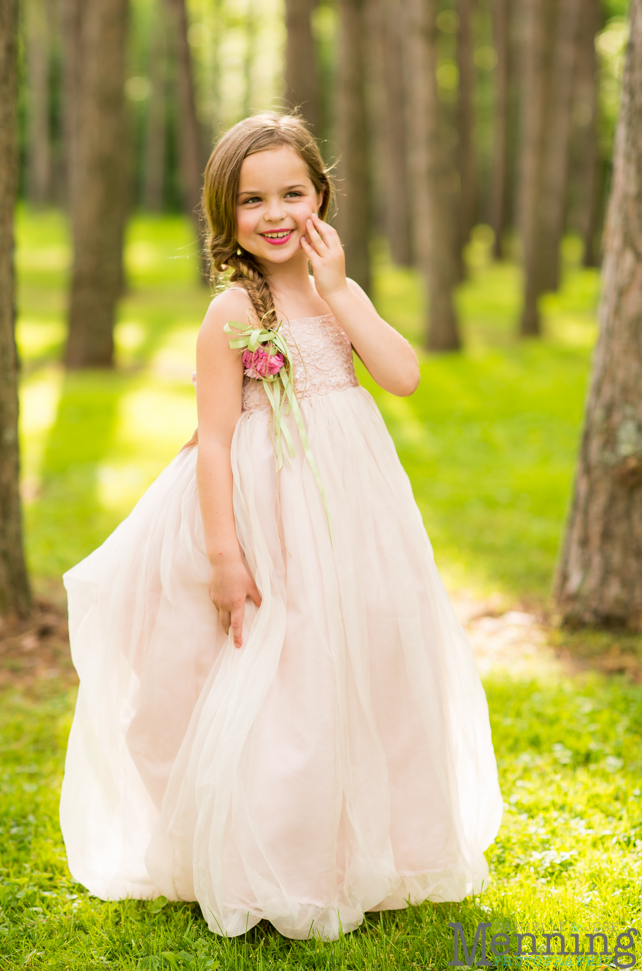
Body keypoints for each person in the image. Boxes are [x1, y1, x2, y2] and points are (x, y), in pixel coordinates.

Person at [60, 111, 502, 941]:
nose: (274, 213)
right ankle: (276, 853)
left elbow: (401, 377)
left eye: (290, 193)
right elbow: (217, 442)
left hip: (352, 506)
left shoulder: (340, 293)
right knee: (283, 666)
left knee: (362, 650)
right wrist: (225, 556)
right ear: (225, 217)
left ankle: (371, 846)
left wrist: (339, 293)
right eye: (251, 199)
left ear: (320, 197)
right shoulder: (231, 309)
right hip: (267, 511)